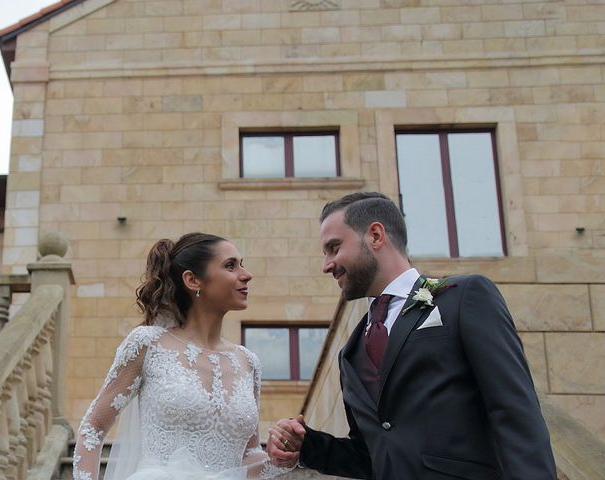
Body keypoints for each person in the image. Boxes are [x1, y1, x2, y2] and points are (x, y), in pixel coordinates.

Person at [267, 192, 556, 479]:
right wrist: (309, 446)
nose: (326, 265)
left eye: (334, 247)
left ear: (376, 236)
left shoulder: (464, 298)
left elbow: (515, 412)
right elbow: (375, 454)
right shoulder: (350, 353)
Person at [73, 232, 294, 480]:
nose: (246, 274)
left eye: (241, 264)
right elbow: (92, 428)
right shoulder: (148, 344)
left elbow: (248, 456)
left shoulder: (248, 362)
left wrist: (278, 459)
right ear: (192, 280)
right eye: (230, 265)